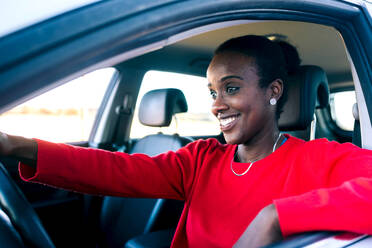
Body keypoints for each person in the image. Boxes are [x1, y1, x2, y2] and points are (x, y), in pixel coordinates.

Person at [1, 35, 372, 248]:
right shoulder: (202, 159)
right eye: (212, 91)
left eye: (231, 88)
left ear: (273, 90)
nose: (216, 105)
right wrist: (16, 145)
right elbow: (115, 170)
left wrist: (277, 216)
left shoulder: (318, 158)